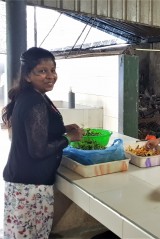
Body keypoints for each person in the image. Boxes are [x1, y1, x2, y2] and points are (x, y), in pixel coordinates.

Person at [1, 47, 84, 238]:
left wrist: (63, 128)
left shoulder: (35, 95)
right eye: (42, 71)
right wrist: (68, 138)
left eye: (53, 70)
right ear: (28, 76)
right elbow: (38, 150)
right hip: (30, 188)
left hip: (23, 183)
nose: (50, 76)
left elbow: (36, 131)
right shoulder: (34, 101)